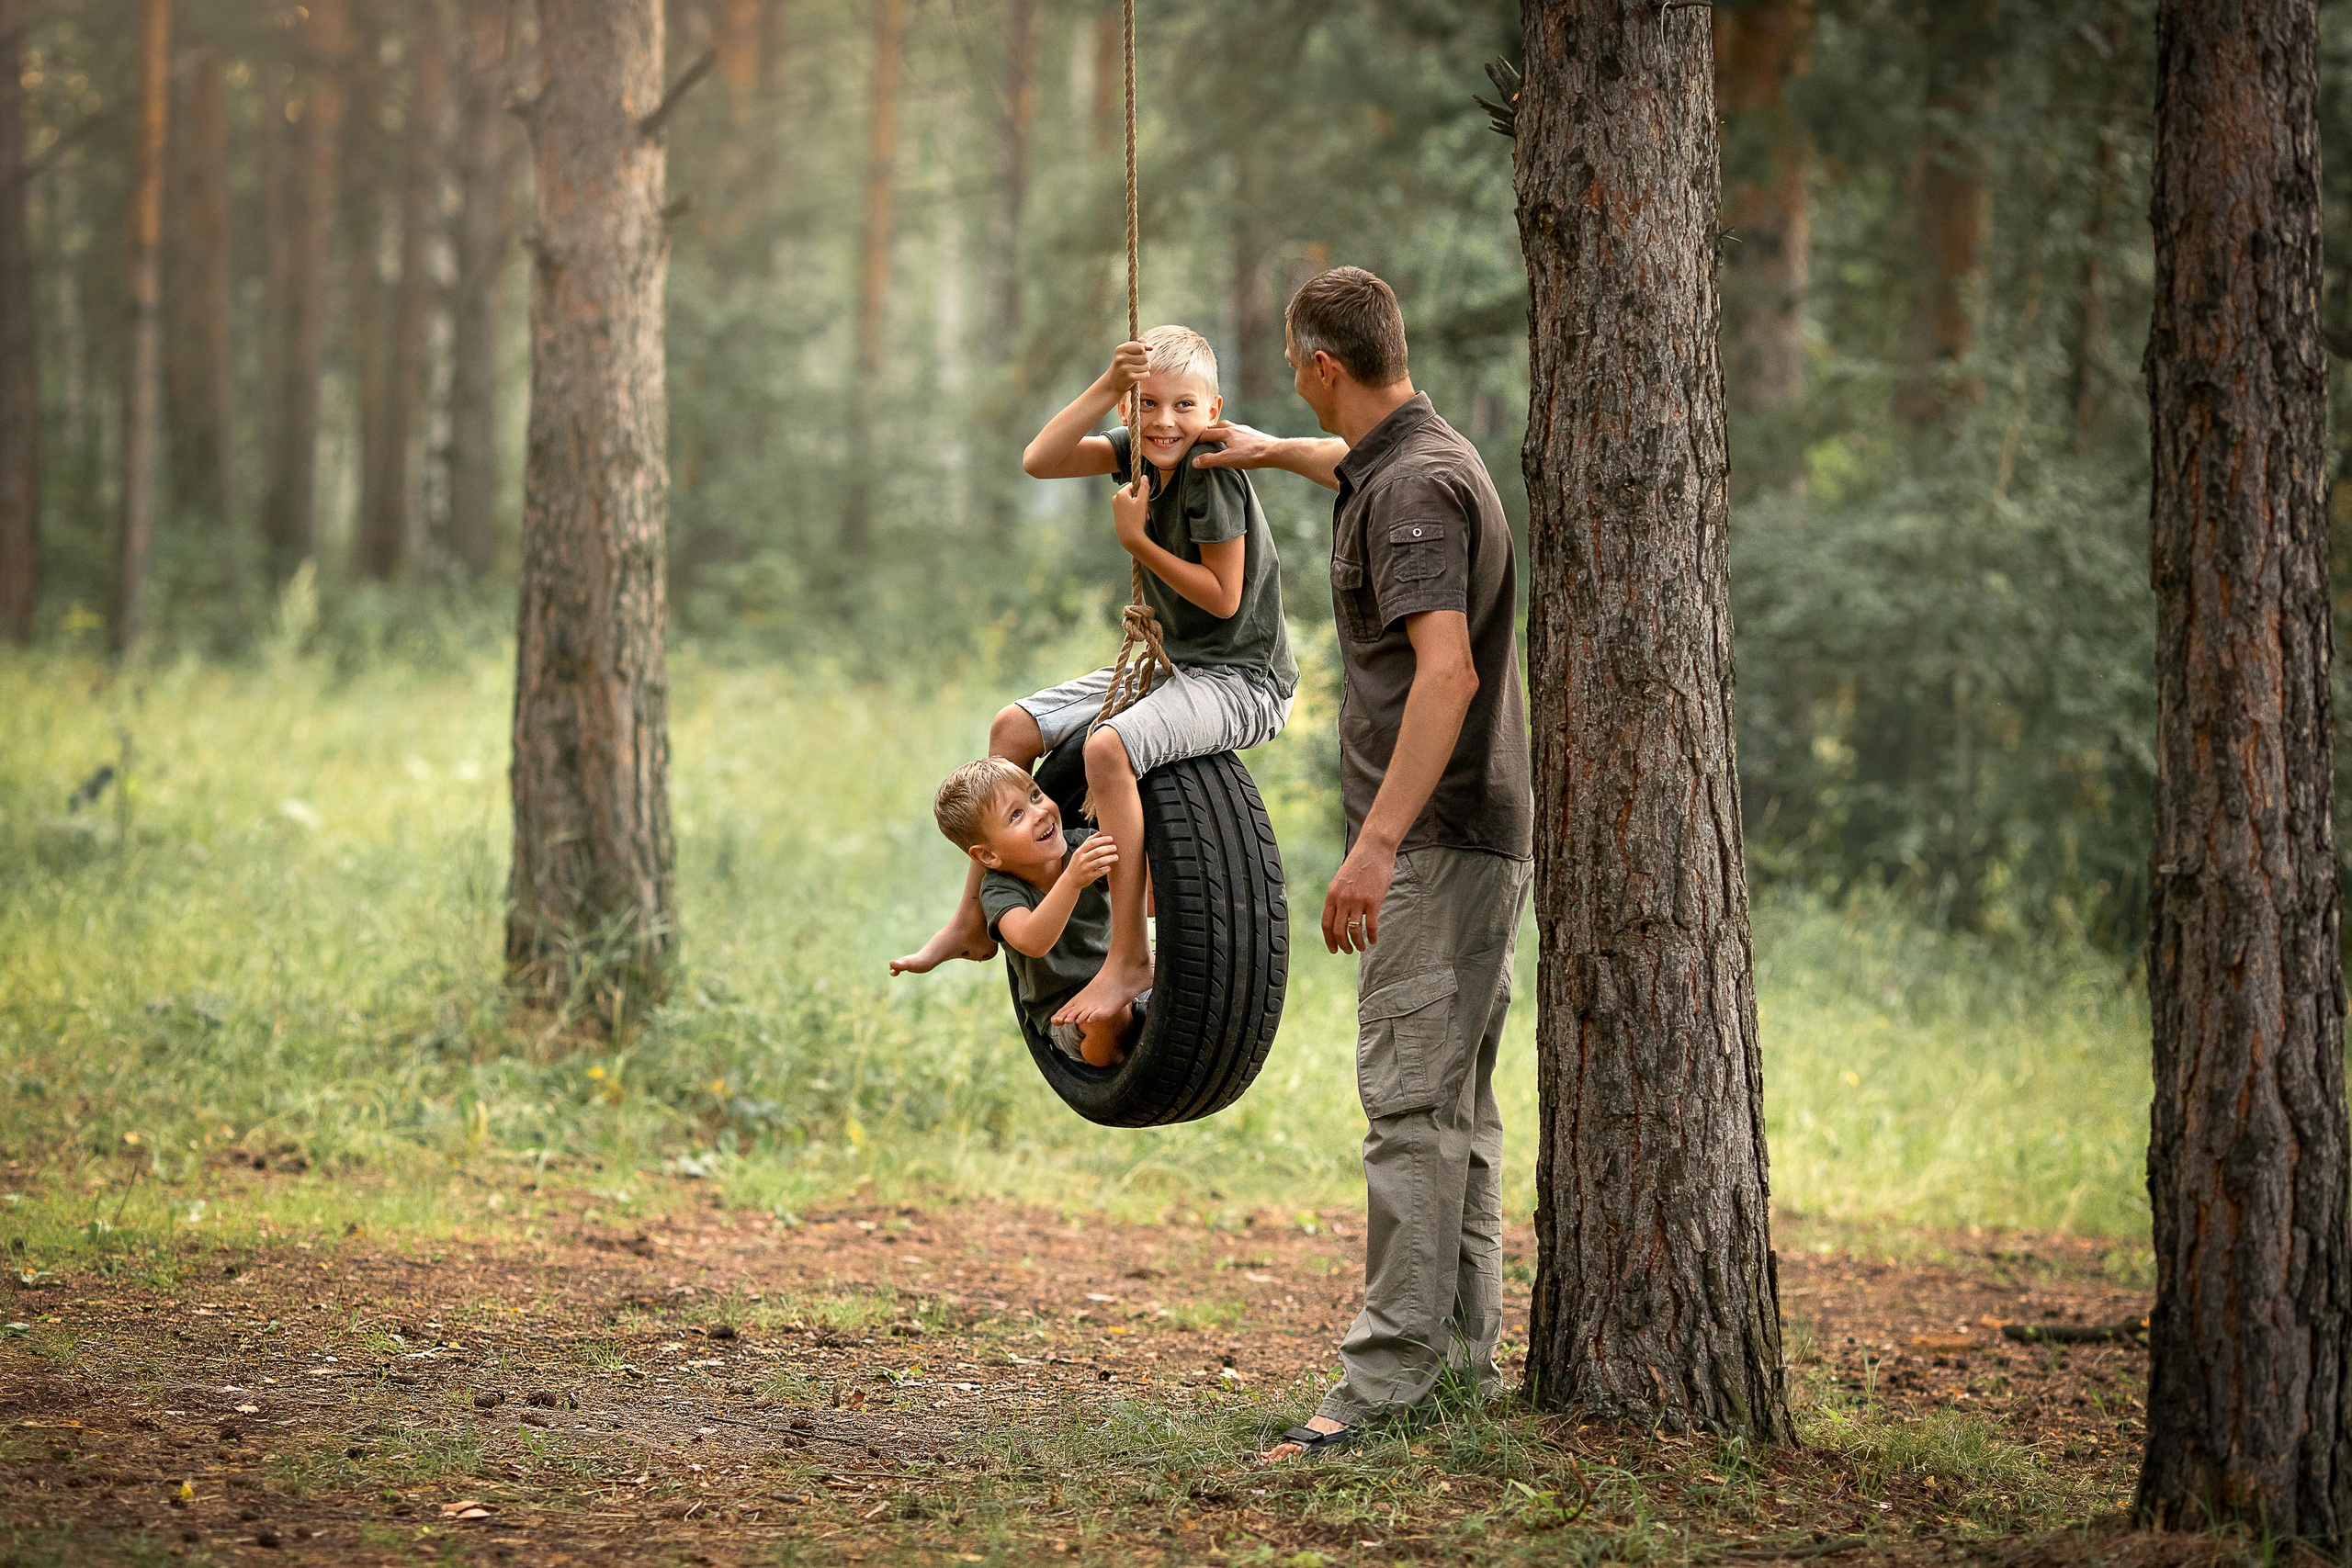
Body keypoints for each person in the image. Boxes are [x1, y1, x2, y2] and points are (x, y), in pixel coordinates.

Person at [1198, 266, 1534, 1461]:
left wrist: (1374, 844)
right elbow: (1350, 465)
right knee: (1456, 1109)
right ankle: (1456, 1360)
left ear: (1322, 362)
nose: (1292, 382)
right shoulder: (1423, 456)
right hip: (1477, 834)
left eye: (1296, 368)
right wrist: (1258, 447)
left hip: (1432, 840)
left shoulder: (1409, 497)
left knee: (1406, 1106)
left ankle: (1384, 1380)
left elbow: (1447, 674)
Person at [891, 326, 1299, 1037]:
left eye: (1183, 406)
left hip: (1241, 677)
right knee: (1011, 729)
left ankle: (1130, 955)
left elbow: (1224, 598)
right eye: (1147, 405)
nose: (1165, 421)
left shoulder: (1211, 473)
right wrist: (1109, 385)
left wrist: (1138, 543)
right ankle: (970, 920)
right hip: (1170, 663)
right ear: (1128, 413)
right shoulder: (1139, 449)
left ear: (1214, 408)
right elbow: (1039, 459)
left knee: (1108, 750)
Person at [929, 757, 1146, 1067]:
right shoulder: (999, 891)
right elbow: (1032, 940)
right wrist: (1071, 880)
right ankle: (1116, 1063)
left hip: (1121, 975)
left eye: (1035, 795)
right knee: (1108, 1016)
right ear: (988, 855)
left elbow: (1146, 896)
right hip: (1066, 1012)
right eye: (1016, 815)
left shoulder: (1079, 846)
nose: (1040, 812)